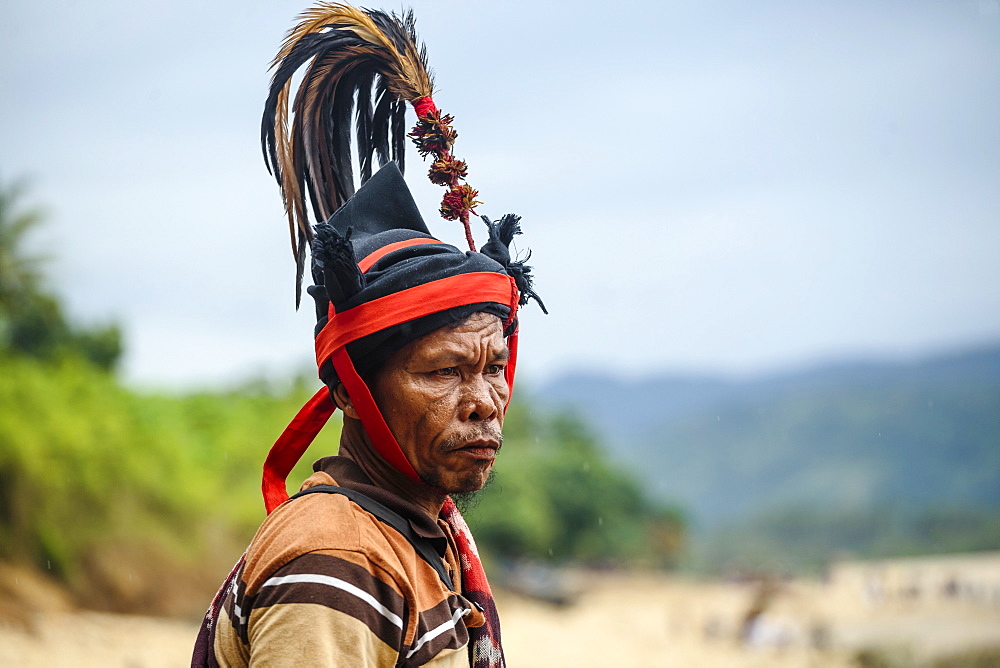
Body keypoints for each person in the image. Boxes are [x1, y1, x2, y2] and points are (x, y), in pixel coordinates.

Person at [191, 4, 543, 667]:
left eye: (493, 365)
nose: (484, 401)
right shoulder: (336, 563)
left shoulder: (415, 531)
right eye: (442, 372)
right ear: (352, 391)